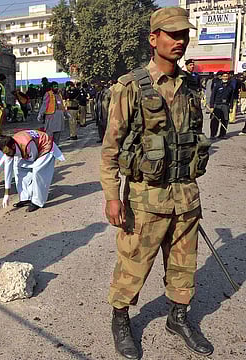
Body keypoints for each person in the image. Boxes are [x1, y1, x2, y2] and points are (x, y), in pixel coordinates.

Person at [100, 8, 214, 359]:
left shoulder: (192, 87)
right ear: (153, 39)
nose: (179, 41)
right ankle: (120, 319)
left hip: (186, 196)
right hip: (145, 199)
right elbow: (110, 149)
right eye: (172, 34)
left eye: (184, 35)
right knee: (133, 265)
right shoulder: (130, 87)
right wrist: (112, 196)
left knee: (184, 265)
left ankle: (177, 317)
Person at [0, 129, 63, 212]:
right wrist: (6, 194)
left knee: (37, 171)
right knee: (17, 168)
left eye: (7, 152)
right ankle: (25, 198)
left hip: (45, 147)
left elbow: (34, 160)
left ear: (13, 146)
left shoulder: (27, 144)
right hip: (32, 151)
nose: (7, 155)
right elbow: (8, 171)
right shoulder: (9, 149)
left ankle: (37, 201)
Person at [37, 81, 66, 145]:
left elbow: (62, 105)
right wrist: (40, 114)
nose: (56, 88)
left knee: (58, 133)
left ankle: (56, 146)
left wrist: (65, 113)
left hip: (59, 116)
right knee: (49, 133)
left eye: (57, 86)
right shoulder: (48, 94)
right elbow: (44, 105)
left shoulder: (59, 94)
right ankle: (49, 146)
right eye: (54, 86)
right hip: (51, 116)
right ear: (51, 87)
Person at [210, 72, 234, 139]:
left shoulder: (230, 86)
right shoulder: (217, 85)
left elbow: (231, 98)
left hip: (225, 105)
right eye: (224, 76)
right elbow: (213, 96)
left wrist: (231, 107)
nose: (225, 77)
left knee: (225, 120)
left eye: (226, 76)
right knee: (214, 120)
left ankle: (222, 134)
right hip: (217, 104)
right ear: (221, 77)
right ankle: (213, 135)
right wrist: (211, 106)